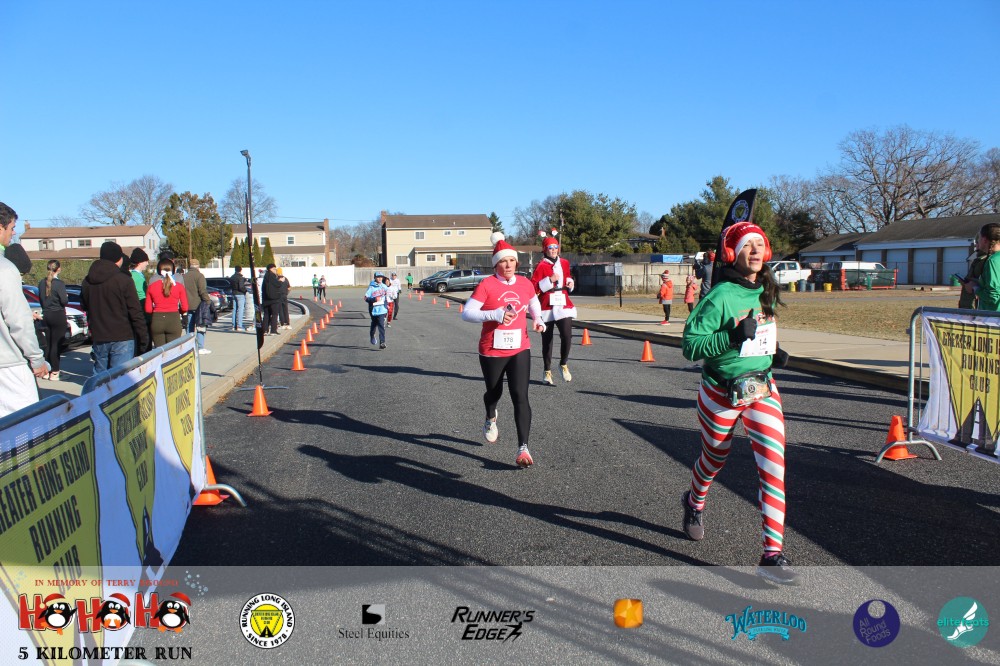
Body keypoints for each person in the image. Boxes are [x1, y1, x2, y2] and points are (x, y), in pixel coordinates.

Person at [680, 221, 796, 585]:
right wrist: (731, 336)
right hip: (720, 392)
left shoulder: (766, 289)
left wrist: (773, 352)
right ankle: (694, 501)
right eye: (748, 245)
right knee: (714, 458)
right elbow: (690, 347)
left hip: (762, 389)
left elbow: (760, 332)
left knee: (773, 466)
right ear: (732, 253)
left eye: (760, 244)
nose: (756, 251)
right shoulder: (719, 296)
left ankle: (772, 555)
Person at [462, 233, 546, 467]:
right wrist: (495, 314)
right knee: (494, 391)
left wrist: (538, 319)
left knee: (520, 395)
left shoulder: (524, 283)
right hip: (492, 349)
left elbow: (533, 302)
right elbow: (467, 313)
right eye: (502, 261)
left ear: (516, 262)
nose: (508, 265)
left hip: (520, 347)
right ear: (495, 264)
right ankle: (491, 415)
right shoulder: (487, 284)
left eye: (511, 260)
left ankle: (523, 448)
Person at [0, 203, 48, 416]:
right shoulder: (5, 269)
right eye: (11, 228)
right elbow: (18, 320)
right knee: (27, 426)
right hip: (9, 366)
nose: (13, 233)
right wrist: (36, 358)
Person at [81, 241, 149, 375]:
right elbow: (135, 312)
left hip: (99, 335)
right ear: (119, 259)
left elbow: (84, 305)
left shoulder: (87, 281)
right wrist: (143, 337)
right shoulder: (124, 280)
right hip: (122, 336)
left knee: (100, 378)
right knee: (120, 378)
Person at [531, 233, 576, 385]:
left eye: (555, 247)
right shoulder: (541, 266)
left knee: (567, 335)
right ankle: (547, 370)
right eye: (550, 247)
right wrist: (549, 280)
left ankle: (563, 364)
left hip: (563, 303)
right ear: (545, 249)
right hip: (547, 305)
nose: (553, 250)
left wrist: (570, 283)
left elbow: (568, 276)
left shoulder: (564, 263)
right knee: (547, 340)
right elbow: (534, 287)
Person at [145, 258, 189, 347]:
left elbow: (148, 309)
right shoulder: (179, 286)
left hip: (157, 320)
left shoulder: (152, 287)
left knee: (160, 351)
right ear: (173, 270)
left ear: (158, 271)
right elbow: (185, 307)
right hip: (173, 319)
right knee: (173, 350)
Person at [38, 260, 69, 380]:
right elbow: (64, 301)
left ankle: (47, 370)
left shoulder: (42, 283)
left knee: (49, 343)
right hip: (58, 314)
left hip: (46, 314)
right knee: (56, 343)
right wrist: (65, 297)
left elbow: (41, 299)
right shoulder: (59, 284)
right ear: (58, 269)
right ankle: (55, 371)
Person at [183, 259, 211, 353]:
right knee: (201, 326)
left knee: (189, 327)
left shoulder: (184, 276)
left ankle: (189, 347)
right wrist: (208, 301)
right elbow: (202, 291)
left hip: (187, 305)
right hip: (199, 305)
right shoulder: (200, 276)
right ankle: (200, 347)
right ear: (198, 266)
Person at [959, 227, 990, 309]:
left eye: (978, 242)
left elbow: (988, 283)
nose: (976, 245)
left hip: (977, 303)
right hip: (967, 302)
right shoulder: (977, 260)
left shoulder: (989, 261)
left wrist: (974, 287)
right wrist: (965, 282)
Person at [972, 223, 1000, 311]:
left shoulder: (993, 261)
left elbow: (993, 296)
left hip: (992, 314)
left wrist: (975, 288)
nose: (978, 241)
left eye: (979, 238)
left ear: (984, 240)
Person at [129, 248, 150, 354]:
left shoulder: (133, 275)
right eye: (146, 261)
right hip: (142, 313)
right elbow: (142, 296)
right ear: (140, 262)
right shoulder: (137, 277)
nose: (147, 263)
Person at [364, 272, 389, 348]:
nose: (380, 279)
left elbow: (387, 295)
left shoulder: (384, 286)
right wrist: (374, 299)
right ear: (375, 278)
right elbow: (365, 298)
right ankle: (372, 336)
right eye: (378, 277)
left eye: (381, 277)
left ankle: (382, 342)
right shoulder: (371, 287)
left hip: (382, 309)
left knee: (381, 324)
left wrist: (386, 304)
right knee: (374, 324)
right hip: (373, 309)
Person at [261, 264, 282, 335]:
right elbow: (277, 285)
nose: (275, 270)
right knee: (274, 314)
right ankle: (273, 330)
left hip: (266, 299)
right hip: (274, 299)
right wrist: (280, 281)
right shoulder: (272, 276)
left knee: (266, 314)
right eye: (274, 269)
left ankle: (265, 330)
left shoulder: (265, 276)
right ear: (270, 269)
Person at [229, 265, 248, 331]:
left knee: (234, 309)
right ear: (240, 270)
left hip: (234, 293)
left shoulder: (232, 277)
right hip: (240, 294)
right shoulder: (240, 278)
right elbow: (241, 287)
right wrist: (245, 291)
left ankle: (233, 325)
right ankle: (239, 326)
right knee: (240, 309)